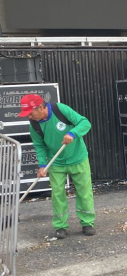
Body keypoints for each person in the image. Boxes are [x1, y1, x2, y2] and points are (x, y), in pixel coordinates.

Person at [18, 94, 96, 239]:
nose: (29, 117)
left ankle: (87, 223)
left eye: (30, 113)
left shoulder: (60, 109)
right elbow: (39, 145)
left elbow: (84, 123)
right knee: (57, 194)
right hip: (55, 163)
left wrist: (72, 133)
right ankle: (60, 226)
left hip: (77, 158)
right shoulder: (34, 124)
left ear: (40, 107)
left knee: (84, 192)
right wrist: (42, 165)